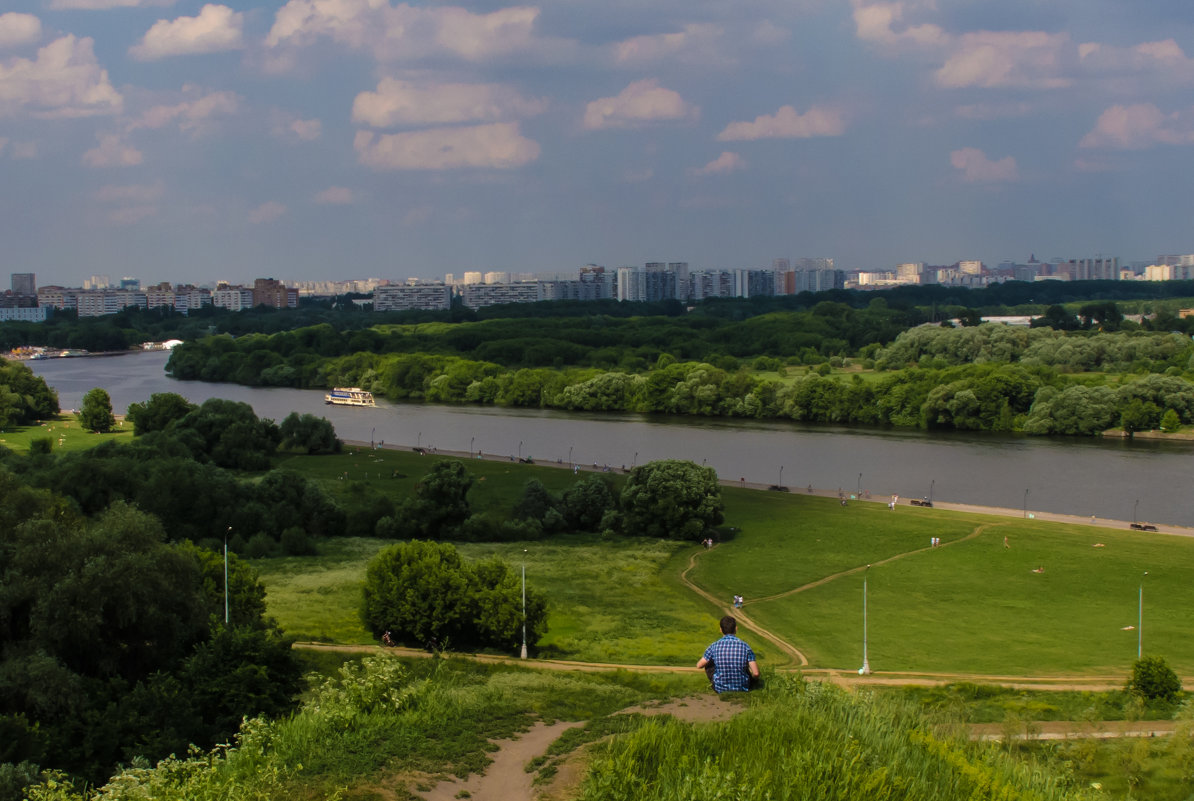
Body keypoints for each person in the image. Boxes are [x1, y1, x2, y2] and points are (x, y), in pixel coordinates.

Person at [697, 615, 759, 693]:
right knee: (744, 663)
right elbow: (756, 673)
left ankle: (719, 682)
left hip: (720, 689)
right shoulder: (745, 646)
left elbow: (699, 665)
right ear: (736, 628)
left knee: (708, 663)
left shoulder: (714, 646)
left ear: (721, 630)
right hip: (742, 688)